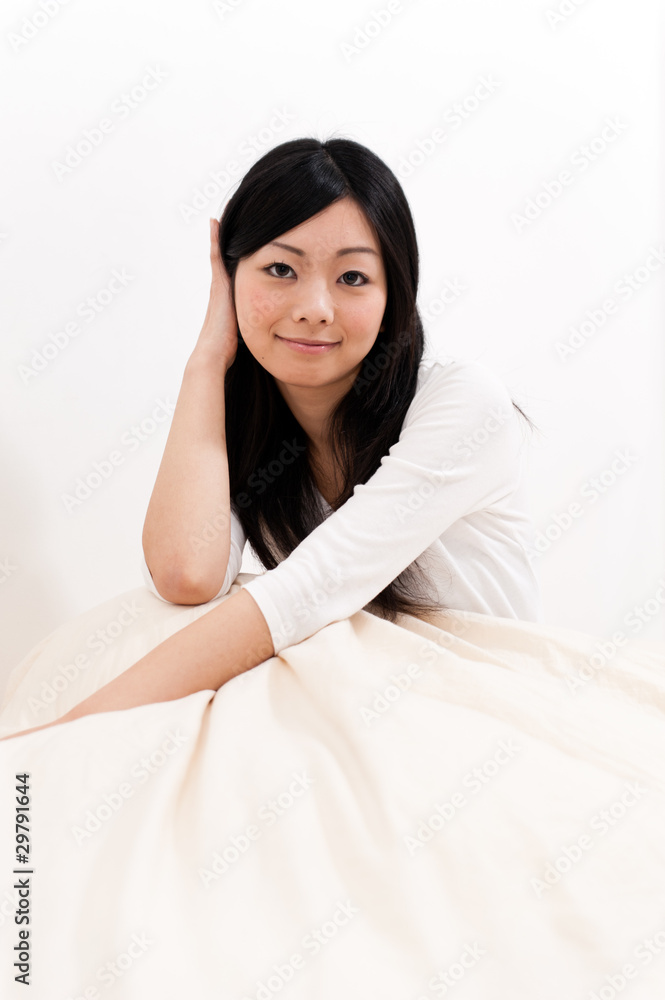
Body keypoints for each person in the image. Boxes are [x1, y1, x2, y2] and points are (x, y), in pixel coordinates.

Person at [1, 136, 542, 741]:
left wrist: (67, 734)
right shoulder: (246, 420)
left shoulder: (464, 405)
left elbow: (307, 594)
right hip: (362, 710)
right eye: (281, 269)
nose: (314, 307)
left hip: (479, 712)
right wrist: (207, 360)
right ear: (230, 276)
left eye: (353, 277)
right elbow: (185, 575)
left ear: (395, 298)